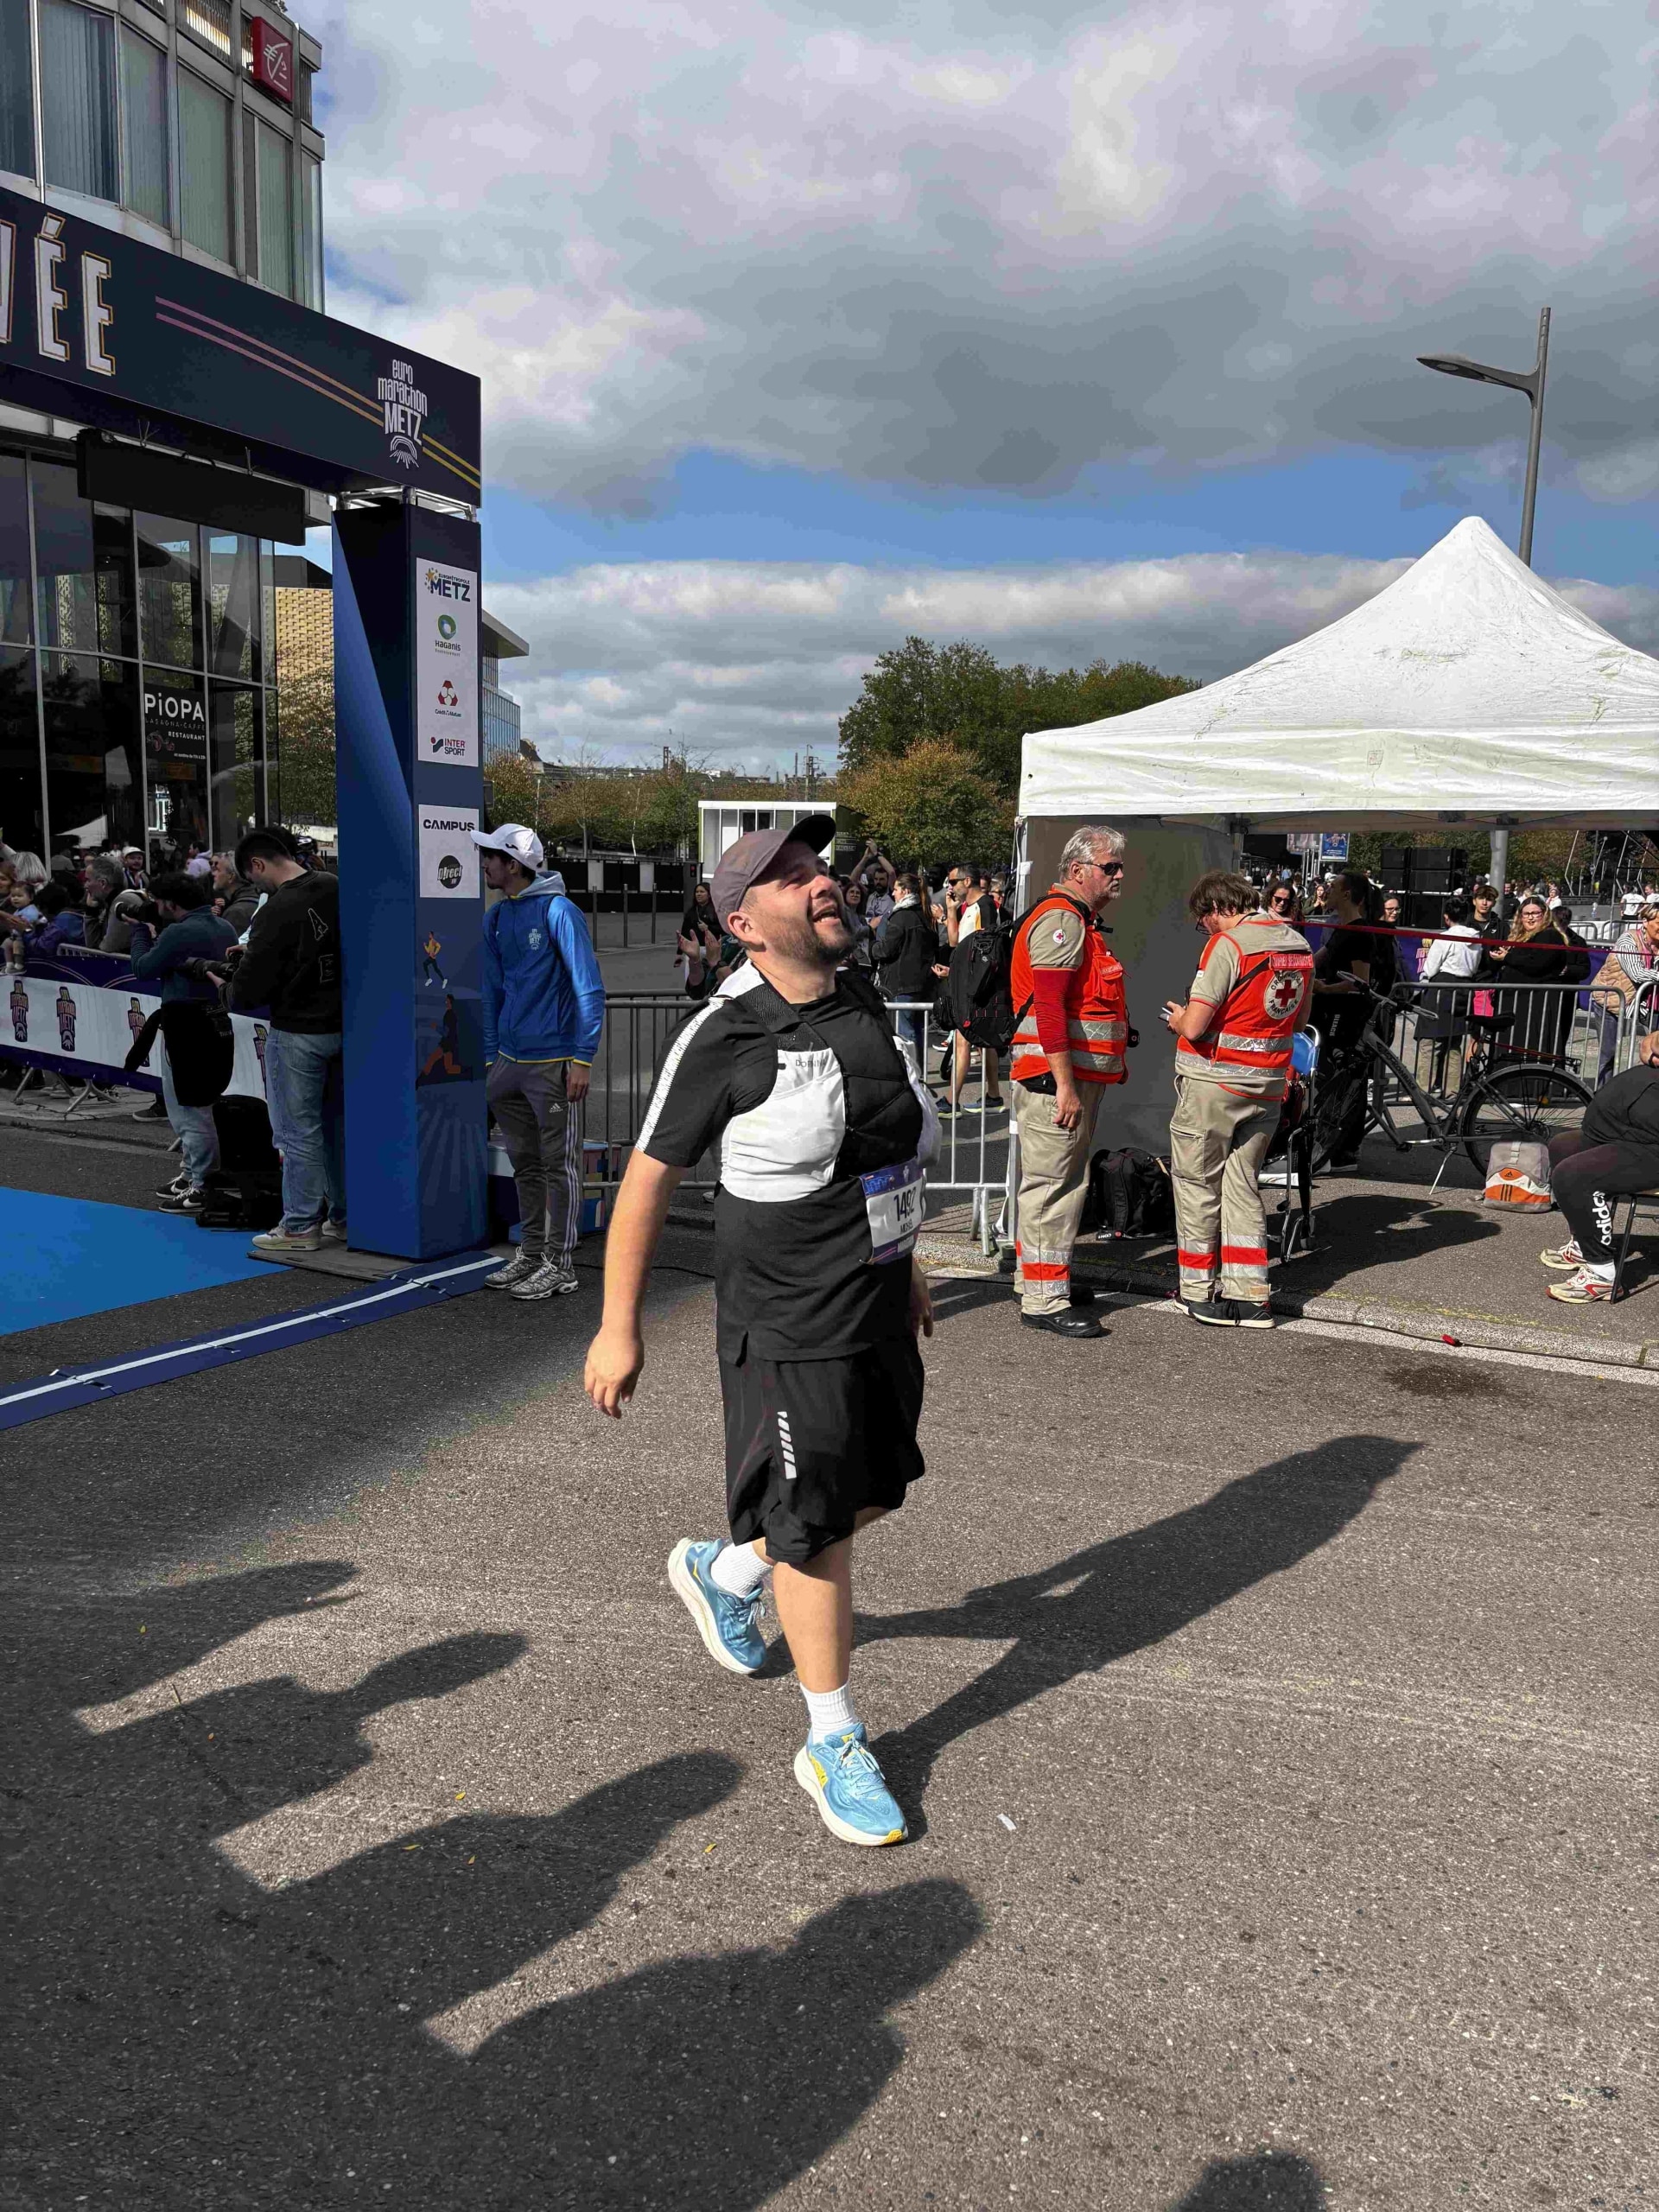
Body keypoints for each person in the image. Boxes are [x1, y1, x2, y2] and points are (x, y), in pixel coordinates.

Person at [583, 814, 937, 1848]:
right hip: (784, 1319)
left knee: (873, 1489)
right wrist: (619, 1328)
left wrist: (907, 1266)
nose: (819, 881)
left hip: (873, 1299)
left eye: (816, 866)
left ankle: (725, 1569)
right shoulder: (725, 1032)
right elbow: (645, 1183)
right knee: (818, 1525)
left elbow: (878, 1153)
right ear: (744, 923)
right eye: (788, 877)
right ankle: (833, 1737)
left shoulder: (860, 996)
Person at [1160, 868, 1313, 1326]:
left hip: (1214, 1083)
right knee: (1243, 1186)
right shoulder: (1298, 945)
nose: (1203, 929)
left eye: (1202, 920)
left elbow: (1196, 1025)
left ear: (1217, 908)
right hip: (1266, 1085)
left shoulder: (1227, 946)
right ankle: (1251, 1297)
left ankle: (1200, 1294)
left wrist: (1179, 1017)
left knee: (1196, 1186)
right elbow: (1300, 1017)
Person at [1007, 824, 1131, 1336]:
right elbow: (1052, 1008)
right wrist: (1064, 1085)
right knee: (1054, 1187)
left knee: (1059, 1182)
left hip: (1062, 1077)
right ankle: (1044, 1297)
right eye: (1110, 867)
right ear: (1078, 870)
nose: (1119, 875)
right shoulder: (1063, 920)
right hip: (1052, 1079)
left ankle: (1037, 1279)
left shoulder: (1078, 920)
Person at [474, 823, 606, 1300]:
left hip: (554, 1063)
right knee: (525, 1163)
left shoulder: (559, 911)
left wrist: (582, 1058)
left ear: (514, 863)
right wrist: (491, 1058)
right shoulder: (495, 918)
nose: (483, 862)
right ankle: (530, 1253)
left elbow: (588, 986)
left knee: (558, 1165)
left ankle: (560, 1263)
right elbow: (491, 993)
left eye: (491, 855)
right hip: (508, 1062)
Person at [227, 828, 346, 1257]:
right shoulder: (333, 886)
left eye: (250, 876)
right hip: (343, 1025)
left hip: (297, 1030)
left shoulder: (276, 909)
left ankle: (299, 1225)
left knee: (297, 1134)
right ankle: (343, 1217)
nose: (253, 885)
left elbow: (247, 991)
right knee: (334, 1128)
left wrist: (229, 984)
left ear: (259, 865)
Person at [129, 872, 237, 1211]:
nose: (156, 908)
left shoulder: (178, 932)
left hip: (185, 1022)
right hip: (216, 1016)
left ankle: (203, 1184)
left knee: (189, 1107)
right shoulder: (225, 927)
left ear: (171, 904)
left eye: (158, 903)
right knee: (202, 1100)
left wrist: (140, 933)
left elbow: (143, 968)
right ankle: (193, 1174)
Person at [1540, 1031, 1659, 1302]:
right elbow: (1651, 1043)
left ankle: (1601, 1275)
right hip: (1637, 1132)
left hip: (1652, 1146)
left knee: (1574, 1177)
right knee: (1563, 1145)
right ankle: (1584, 1245)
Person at [1308, 869, 1395, 1172]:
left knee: (1341, 1080)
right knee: (1333, 1079)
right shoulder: (1342, 929)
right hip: (1330, 1012)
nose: (1325, 891)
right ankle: (1332, 1148)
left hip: (1345, 1016)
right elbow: (1315, 960)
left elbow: (1362, 981)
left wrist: (1324, 988)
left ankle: (1339, 1150)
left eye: (1332, 887)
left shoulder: (1358, 932)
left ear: (1346, 895)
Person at [1478, 894, 1572, 1060]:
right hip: (1516, 1003)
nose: (1530, 918)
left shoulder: (1549, 935)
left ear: (1544, 914)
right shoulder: (1519, 937)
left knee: (1529, 1050)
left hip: (1535, 1005)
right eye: (1526, 914)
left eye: (1535, 913)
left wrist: (1507, 958)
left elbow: (1537, 964)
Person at [942, 874, 1005, 1113]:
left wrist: (970, 981)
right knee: (984, 1042)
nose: (950, 887)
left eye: (953, 882)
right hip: (970, 985)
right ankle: (993, 1096)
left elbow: (987, 949)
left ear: (967, 881)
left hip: (974, 989)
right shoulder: (970, 908)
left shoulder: (985, 905)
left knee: (963, 1041)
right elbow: (954, 941)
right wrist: (950, 910)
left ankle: (950, 1102)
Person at [872, 870, 944, 1068]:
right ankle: (918, 1072)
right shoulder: (926, 915)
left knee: (906, 1031)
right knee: (918, 1029)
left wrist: (874, 947)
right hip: (923, 983)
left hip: (904, 983)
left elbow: (886, 949)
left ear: (905, 891)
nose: (893, 893)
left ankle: (914, 1074)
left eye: (895, 889)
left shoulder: (901, 917)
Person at [1589, 897, 1659, 1083]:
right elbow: (1636, 973)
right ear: (1645, 921)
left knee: (1655, 1049)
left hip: (1642, 1004)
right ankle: (1602, 1096)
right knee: (1610, 1053)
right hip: (1610, 1000)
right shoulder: (1628, 939)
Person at [210, 851, 263, 938]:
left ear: (231, 876)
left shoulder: (235, 913)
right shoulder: (258, 898)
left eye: (217, 870)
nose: (213, 874)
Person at [851, 842, 897, 927]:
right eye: (876, 879)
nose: (878, 882)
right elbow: (853, 880)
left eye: (882, 879)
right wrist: (865, 858)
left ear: (887, 881)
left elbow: (891, 872)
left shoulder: (892, 894)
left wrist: (877, 854)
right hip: (869, 934)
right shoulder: (870, 894)